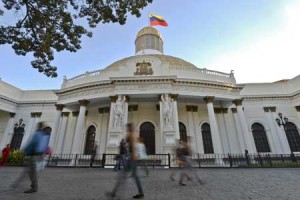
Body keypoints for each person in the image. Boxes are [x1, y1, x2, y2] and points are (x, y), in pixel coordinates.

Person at [106, 123, 144, 199]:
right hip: (133, 158)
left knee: (123, 175)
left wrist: (132, 156)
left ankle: (114, 193)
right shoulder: (133, 135)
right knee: (134, 176)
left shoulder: (130, 135)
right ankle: (141, 192)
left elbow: (133, 146)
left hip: (132, 158)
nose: (126, 129)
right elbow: (130, 146)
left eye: (127, 127)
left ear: (129, 128)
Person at [11, 122, 50, 193]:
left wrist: (25, 151)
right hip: (38, 154)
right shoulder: (44, 135)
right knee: (29, 170)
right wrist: (42, 154)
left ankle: (33, 186)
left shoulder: (37, 134)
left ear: (39, 127)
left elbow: (32, 144)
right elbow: (44, 146)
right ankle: (19, 183)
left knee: (31, 171)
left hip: (33, 154)